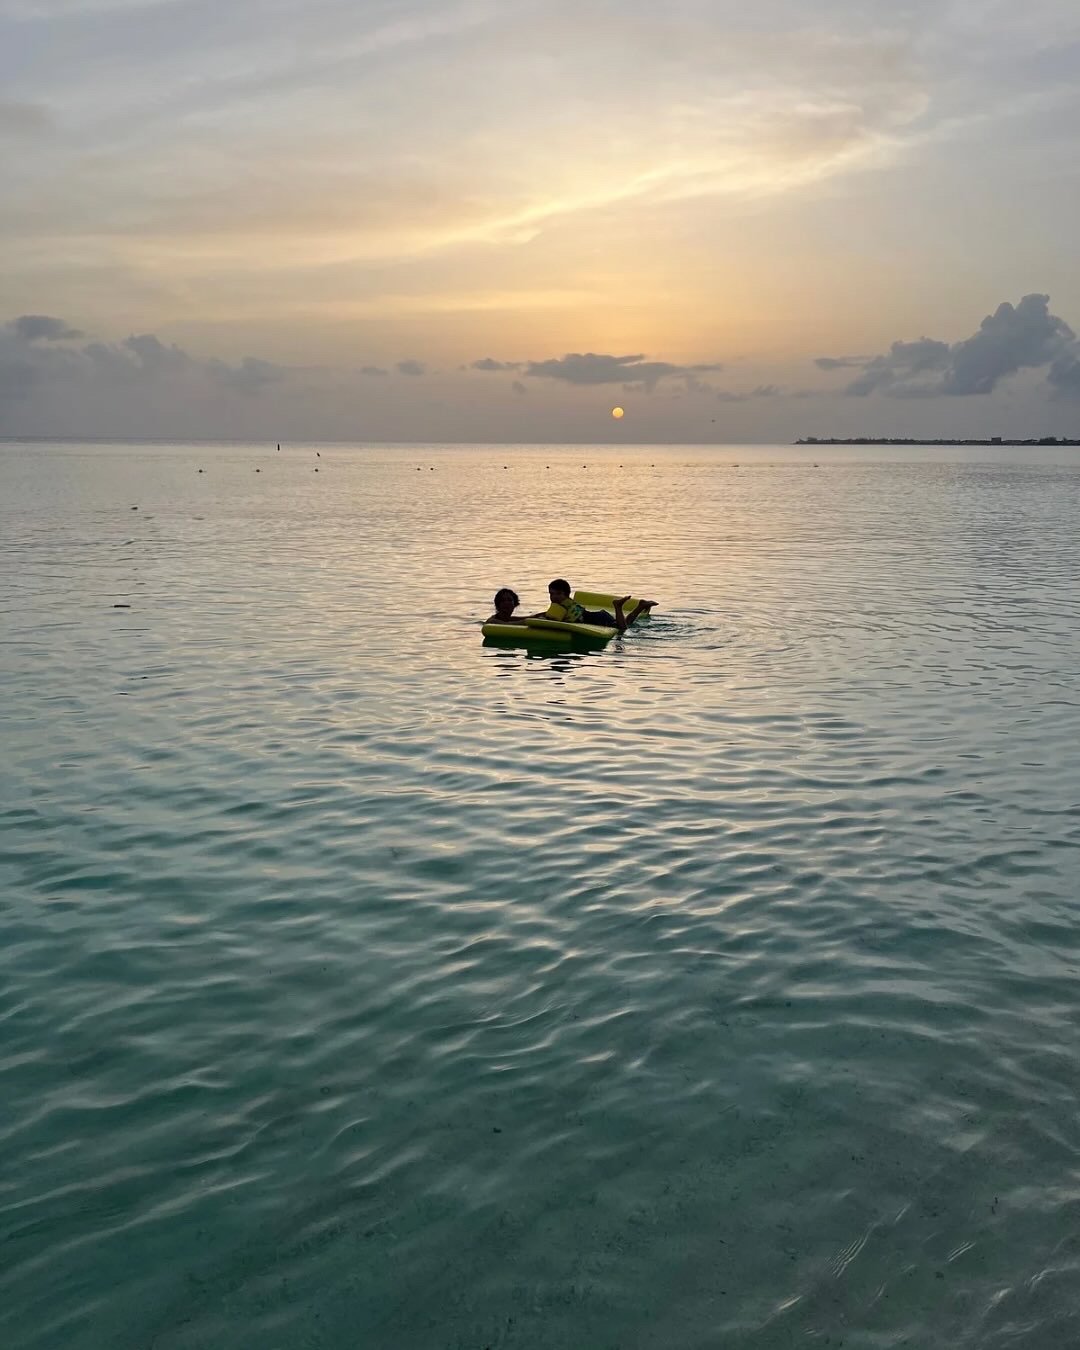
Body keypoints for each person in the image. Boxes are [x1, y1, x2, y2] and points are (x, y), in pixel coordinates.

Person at [540, 579, 655, 632]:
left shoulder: (562, 606)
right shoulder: (565, 603)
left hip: (597, 620)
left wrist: (525, 619)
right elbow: (546, 615)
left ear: (566, 595)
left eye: (558, 594)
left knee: (622, 628)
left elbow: (548, 618)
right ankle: (640, 606)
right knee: (626, 623)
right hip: (599, 616)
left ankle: (618, 606)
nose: (553, 597)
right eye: (551, 594)